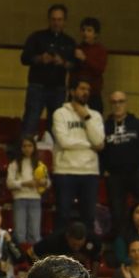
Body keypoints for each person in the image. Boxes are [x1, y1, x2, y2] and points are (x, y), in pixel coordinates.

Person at [51, 80, 104, 234]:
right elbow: (64, 141)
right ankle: (59, 253)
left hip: (89, 172)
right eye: (82, 88)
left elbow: (99, 141)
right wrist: (89, 145)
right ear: (72, 91)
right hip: (65, 171)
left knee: (88, 217)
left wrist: (86, 118)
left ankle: (85, 254)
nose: (85, 92)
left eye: (88, 89)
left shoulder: (95, 115)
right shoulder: (60, 113)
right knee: (63, 215)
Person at [100, 90, 139, 240]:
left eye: (121, 101)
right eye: (114, 102)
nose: (117, 105)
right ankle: (122, 243)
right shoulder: (104, 127)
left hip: (137, 173)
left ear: (126, 103)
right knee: (117, 212)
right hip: (115, 175)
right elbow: (100, 152)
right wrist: (103, 170)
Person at [20, 4, 73, 139]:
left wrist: (63, 62)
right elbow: (24, 58)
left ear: (65, 21)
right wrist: (40, 58)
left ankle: (55, 158)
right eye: (54, 19)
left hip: (58, 88)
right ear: (49, 20)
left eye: (59, 19)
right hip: (37, 86)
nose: (56, 22)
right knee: (30, 123)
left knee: (57, 126)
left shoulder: (69, 42)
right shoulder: (37, 37)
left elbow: (75, 65)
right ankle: (24, 156)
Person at [7, 137, 45, 249]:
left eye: (30, 146)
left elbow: (47, 182)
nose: (27, 149)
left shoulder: (39, 164)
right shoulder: (14, 164)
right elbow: (9, 183)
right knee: (20, 232)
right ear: (20, 148)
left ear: (34, 147)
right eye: (24, 146)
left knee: (34, 232)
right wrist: (24, 184)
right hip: (20, 199)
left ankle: (34, 259)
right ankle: (21, 259)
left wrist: (44, 182)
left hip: (35, 199)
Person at [34, 219, 99, 272]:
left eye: (79, 245)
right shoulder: (53, 240)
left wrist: (93, 276)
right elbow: (31, 253)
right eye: (74, 245)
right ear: (67, 236)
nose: (76, 248)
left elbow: (97, 256)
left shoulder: (93, 240)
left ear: (85, 238)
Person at [70, 17, 106, 111]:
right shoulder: (77, 48)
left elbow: (100, 69)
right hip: (77, 94)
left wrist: (85, 59)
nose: (85, 33)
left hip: (93, 94)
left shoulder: (100, 50)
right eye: (83, 30)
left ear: (96, 34)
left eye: (89, 30)